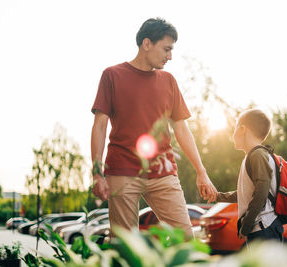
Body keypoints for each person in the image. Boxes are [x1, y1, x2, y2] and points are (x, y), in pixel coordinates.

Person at [90, 17, 217, 238]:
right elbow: (100, 126)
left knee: (185, 237)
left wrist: (201, 171)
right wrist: (97, 173)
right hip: (122, 170)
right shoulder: (112, 75)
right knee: (125, 244)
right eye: (166, 49)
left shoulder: (168, 81)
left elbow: (182, 129)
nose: (170, 56)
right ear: (147, 44)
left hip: (163, 171)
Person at [215, 109, 284, 243]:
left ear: (242, 129)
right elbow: (245, 193)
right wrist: (218, 196)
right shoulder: (252, 156)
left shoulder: (257, 155)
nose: (233, 134)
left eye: (234, 129)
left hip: (264, 229)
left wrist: (245, 226)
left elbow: (260, 194)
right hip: (261, 228)